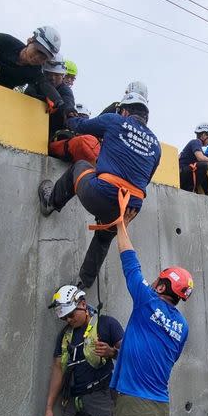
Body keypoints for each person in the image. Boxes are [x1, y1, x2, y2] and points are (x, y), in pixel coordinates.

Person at [38, 89, 160, 290]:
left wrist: (68, 115)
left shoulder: (115, 121)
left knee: (80, 167)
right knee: (103, 239)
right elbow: (144, 178)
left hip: (102, 193)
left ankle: (51, 201)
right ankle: (83, 284)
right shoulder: (156, 145)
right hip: (129, 209)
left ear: (125, 112)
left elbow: (80, 127)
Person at [105, 209, 193, 416]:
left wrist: (122, 225)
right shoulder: (182, 326)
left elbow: (129, 261)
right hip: (159, 409)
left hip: (133, 405)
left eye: (159, 279)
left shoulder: (147, 301)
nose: (153, 280)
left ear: (163, 287)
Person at [44, 285, 124, 416]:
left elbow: (132, 356)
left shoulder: (107, 324)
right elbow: (58, 369)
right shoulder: (65, 336)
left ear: (83, 304)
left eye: (71, 315)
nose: (68, 320)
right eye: (64, 318)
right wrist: (49, 407)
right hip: (74, 405)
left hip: (103, 400)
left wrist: (113, 353)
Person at [0, 26, 60, 91]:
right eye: (38, 51)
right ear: (30, 40)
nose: (38, 58)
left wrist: (66, 109)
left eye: (44, 57)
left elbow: (45, 86)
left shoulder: (35, 71)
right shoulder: (7, 42)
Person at [26, 56, 76, 138]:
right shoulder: (36, 83)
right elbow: (28, 95)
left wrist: (68, 110)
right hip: (30, 121)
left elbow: (68, 103)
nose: (52, 78)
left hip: (52, 130)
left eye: (57, 75)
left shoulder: (65, 90)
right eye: (48, 74)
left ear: (63, 75)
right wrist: (45, 100)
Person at [178, 123, 208, 193]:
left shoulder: (197, 146)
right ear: (204, 135)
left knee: (207, 167)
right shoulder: (196, 142)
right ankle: (189, 189)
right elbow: (200, 158)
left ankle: (207, 193)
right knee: (204, 165)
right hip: (183, 173)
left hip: (185, 172)